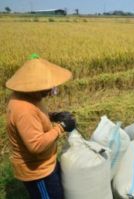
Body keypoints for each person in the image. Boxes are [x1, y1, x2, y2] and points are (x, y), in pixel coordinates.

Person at [5, 55, 76, 199]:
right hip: (38, 172)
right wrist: (61, 127)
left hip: (46, 163)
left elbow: (36, 117)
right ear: (33, 87)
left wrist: (52, 116)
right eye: (46, 88)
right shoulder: (24, 109)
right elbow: (36, 145)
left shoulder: (30, 97)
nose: (50, 91)